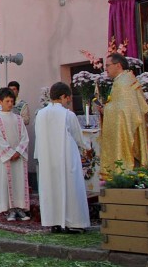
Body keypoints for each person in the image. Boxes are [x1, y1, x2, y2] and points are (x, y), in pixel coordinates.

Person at [35, 82, 91, 234]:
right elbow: (78, 137)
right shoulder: (68, 114)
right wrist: (88, 146)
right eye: (68, 98)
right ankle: (74, 222)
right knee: (71, 188)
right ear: (62, 96)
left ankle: (54, 221)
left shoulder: (40, 114)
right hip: (66, 158)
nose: (69, 101)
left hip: (47, 159)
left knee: (52, 188)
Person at [99, 53, 148, 179]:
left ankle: (125, 174)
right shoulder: (125, 79)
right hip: (132, 124)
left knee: (129, 163)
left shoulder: (123, 82)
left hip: (129, 127)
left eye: (107, 65)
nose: (106, 69)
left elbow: (124, 111)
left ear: (118, 65)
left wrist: (105, 109)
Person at [0, 88, 30, 221]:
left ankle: (20, 208)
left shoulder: (18, 119)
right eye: (7, 101)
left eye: (12, 101)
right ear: (0, 101)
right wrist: (10, 153)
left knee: (19, 181)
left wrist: (18, 151)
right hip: (6, 158)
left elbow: (25, 137)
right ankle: (10, 210)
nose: (10, 104)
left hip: (18, 157)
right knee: (7, 183)